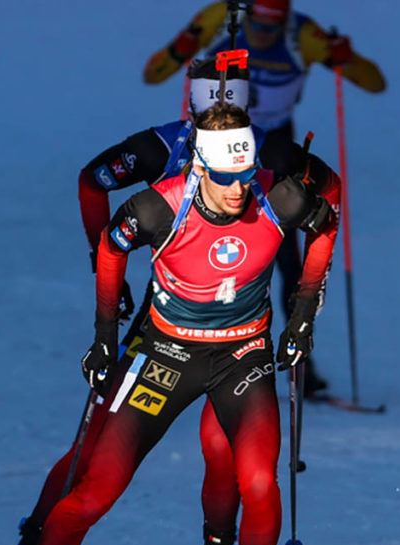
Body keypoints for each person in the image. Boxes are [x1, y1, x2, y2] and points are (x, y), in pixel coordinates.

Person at [0, 55, 339, 545]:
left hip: (238, 337)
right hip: (161, 325)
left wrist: (303, 310)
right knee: (94, 456)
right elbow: (97, 189)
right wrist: (104, 292)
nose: (237, 181)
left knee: (229, 453)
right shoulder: (164, 150)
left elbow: (328, 196)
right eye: (204, 110)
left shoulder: (268, 157)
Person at [143, 0, 385, 398]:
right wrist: (179, 48)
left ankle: (297, 359)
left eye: (273, 29)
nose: (263, 35)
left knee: (285, 256)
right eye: (258, 26)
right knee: (197, 242)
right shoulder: (220, 18)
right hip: (214, 146)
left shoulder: (303, 36)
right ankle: (183, 347)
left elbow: (374, 83)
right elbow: (154, 75)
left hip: (272, 148)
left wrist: (347, 58)